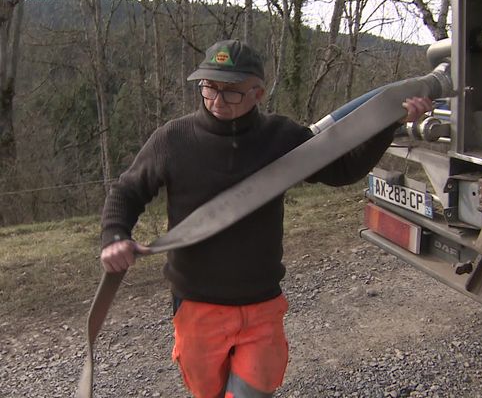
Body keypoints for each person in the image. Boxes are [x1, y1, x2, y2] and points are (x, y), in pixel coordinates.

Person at [100, 39, 432, 398]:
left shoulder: (281, 136)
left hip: (261, 306)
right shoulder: (172, 140)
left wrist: (388, 125)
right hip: (197, 307)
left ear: (257, 92)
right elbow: (127, 190)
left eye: (232, 92)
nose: (216, 101)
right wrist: (115, 235)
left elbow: (342, 169)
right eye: (209, 88)